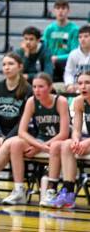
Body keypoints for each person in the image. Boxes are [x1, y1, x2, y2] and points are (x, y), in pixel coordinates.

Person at [0, 73, 68, 204]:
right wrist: (38, 146)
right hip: (40, 141)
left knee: (12, 143)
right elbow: (22, 132)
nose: (36, 90)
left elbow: (63, 134)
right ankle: (18, 190)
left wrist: (39, 147)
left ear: (50, 87)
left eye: (41, 87)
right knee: (14, 143)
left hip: (58, 142)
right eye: (34, 87)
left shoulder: (60, 101)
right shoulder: (31, 101)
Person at [42, 71, 90, 209]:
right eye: (80, 83)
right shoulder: (79, 101)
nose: (83, 86)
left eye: (87, 83)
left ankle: (67, 193)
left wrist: (86, 142)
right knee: (63, 144)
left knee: (68, 145)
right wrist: (76, 140)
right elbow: (76, 129)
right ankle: (61, 191)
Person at [43, 0, 80, 82]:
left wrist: (57, 58)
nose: (60, 11)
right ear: (54, 11)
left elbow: (74, 52)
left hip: (67, 63)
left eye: (63, 8)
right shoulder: (49, 29)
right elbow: (44, 47)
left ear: (68, 11)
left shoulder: (74, 30)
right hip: (50, 62)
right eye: (58, 8)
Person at [64, 26, 90, 94]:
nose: (82, 39)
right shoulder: (73, 54)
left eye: (86, 36)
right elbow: (68, 72)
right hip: (76, 88)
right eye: (80, 37)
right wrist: (69, 84)